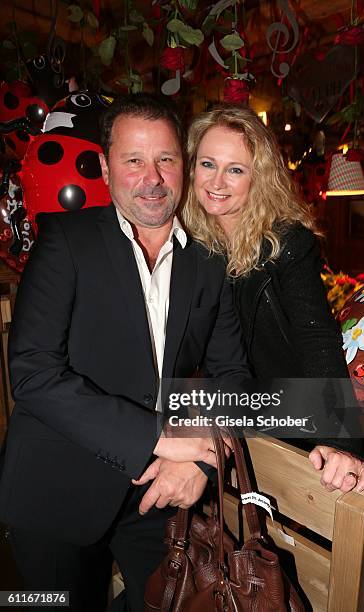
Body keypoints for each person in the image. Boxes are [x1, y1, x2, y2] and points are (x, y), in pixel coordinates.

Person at [0, 94, 250, 611]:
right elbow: (32, 373)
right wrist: (160, 438)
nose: (152, 177)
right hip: (53, 489)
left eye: (165, 159)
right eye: (133, 161)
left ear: (182, 163)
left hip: (158, 496)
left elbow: (233, 376)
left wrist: (201, 465)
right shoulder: (65, 241)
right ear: (108, 169)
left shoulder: (209, 260)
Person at [182, 104, 364, 494]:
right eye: (207, 164)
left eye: (236, 169)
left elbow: (317, 339)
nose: (217, 181)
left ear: (258, 177)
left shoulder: (287, 242)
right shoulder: (186, 240)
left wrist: (340, 442)